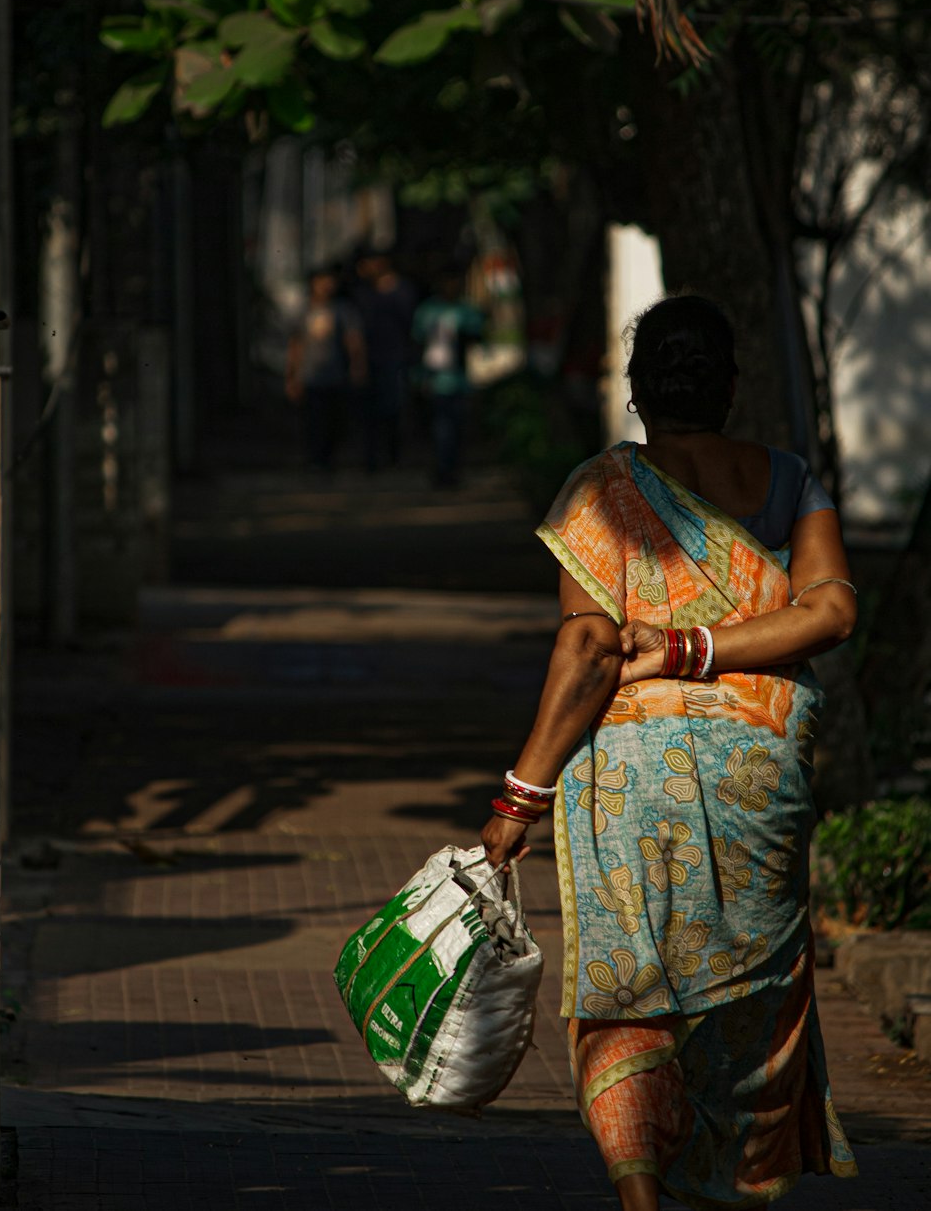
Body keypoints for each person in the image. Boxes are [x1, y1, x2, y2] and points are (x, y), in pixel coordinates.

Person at [480, 294, 859, 1210]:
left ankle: (640, 1192)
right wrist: (707, 649)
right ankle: (738, 1185)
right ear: (729, 386)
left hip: (625, 781)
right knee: (747, 993)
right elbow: (831, 613)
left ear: (638, 391)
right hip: (758, 780)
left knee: (627, 992)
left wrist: (518, 798)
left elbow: (587, 649)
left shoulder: (598, 491)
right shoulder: (788, 480)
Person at [285, 264, 366, 471]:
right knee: (313, 421)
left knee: (334, 422)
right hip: (310, 376)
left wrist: (357, 366)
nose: (326, 286)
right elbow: (296, 345)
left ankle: (329, 459)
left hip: (336, 375)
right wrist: (292, 375)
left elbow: (353, 341)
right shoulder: (304, 310)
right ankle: (315, 460)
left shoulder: (343, 310)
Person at [411, 267, 484, 487]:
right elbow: (418, 343)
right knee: (440, 429)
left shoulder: (466, 311)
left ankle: (453, 469)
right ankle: (442, 470)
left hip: (460, 380)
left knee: (457, 429)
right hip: (435, 380)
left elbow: (477, 338)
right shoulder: (428, 311)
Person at [352, 248, 418, 471]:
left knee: (392, 409)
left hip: (395, 357)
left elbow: (410, 325)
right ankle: (371, 458)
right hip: (368, 358)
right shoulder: (363, 292)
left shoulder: (402, 290)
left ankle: (393, 454)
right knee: (368, 412)